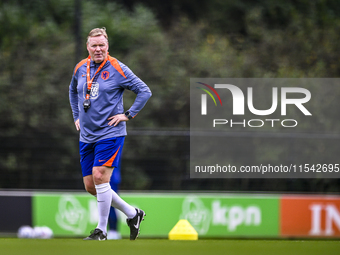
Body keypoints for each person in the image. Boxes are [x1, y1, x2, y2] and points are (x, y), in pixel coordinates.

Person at [69, 27, 152, 241]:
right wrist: (76, 115)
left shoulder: (117, 67)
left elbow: (144, 90)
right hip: (86, 135)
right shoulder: (80, 67)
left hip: (110, 132)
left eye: (102, 45)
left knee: (99, 177)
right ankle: (133, 213)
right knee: (91, 185)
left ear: (108, 46)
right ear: (88, 47)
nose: (98, 49)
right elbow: (72, 90)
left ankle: (101, 231)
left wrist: (128, 115)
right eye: (94, 45)